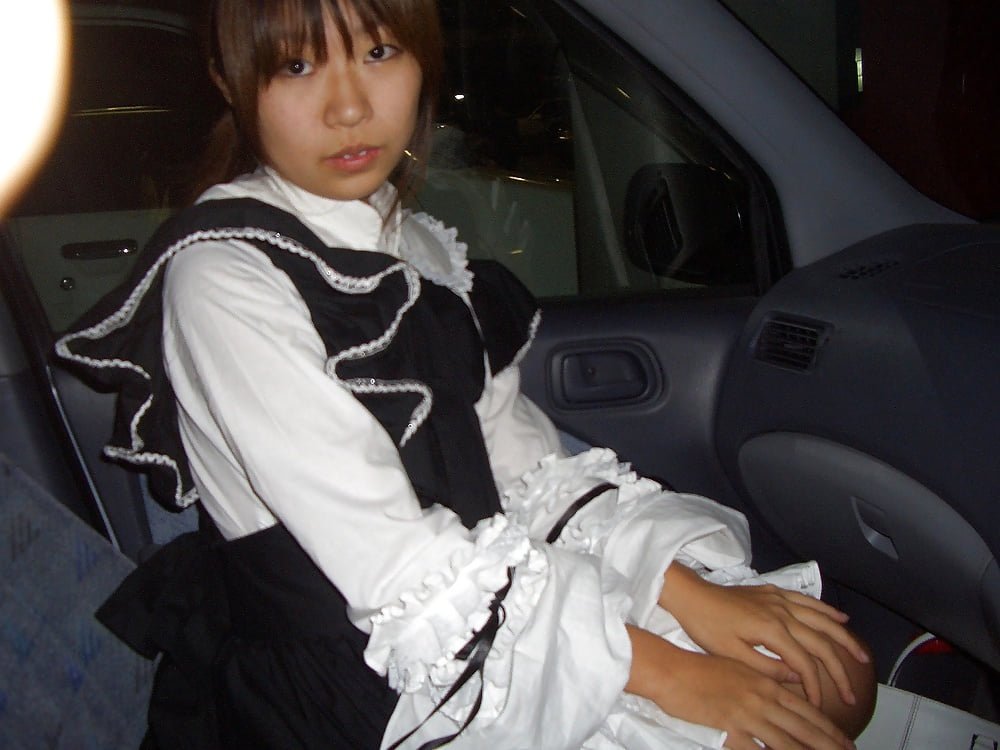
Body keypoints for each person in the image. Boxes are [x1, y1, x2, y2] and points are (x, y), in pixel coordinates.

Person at [56, 0, 875, 748]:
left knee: (832, 679)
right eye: (297, 66)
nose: (349, 107)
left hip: (487, 585)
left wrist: (687, 594)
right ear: (230, 82)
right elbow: (393, 564)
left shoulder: (416, 246)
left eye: (379, 52)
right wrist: (674, 673)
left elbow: (522, 470)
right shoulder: (223, 276)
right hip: (373, 663)